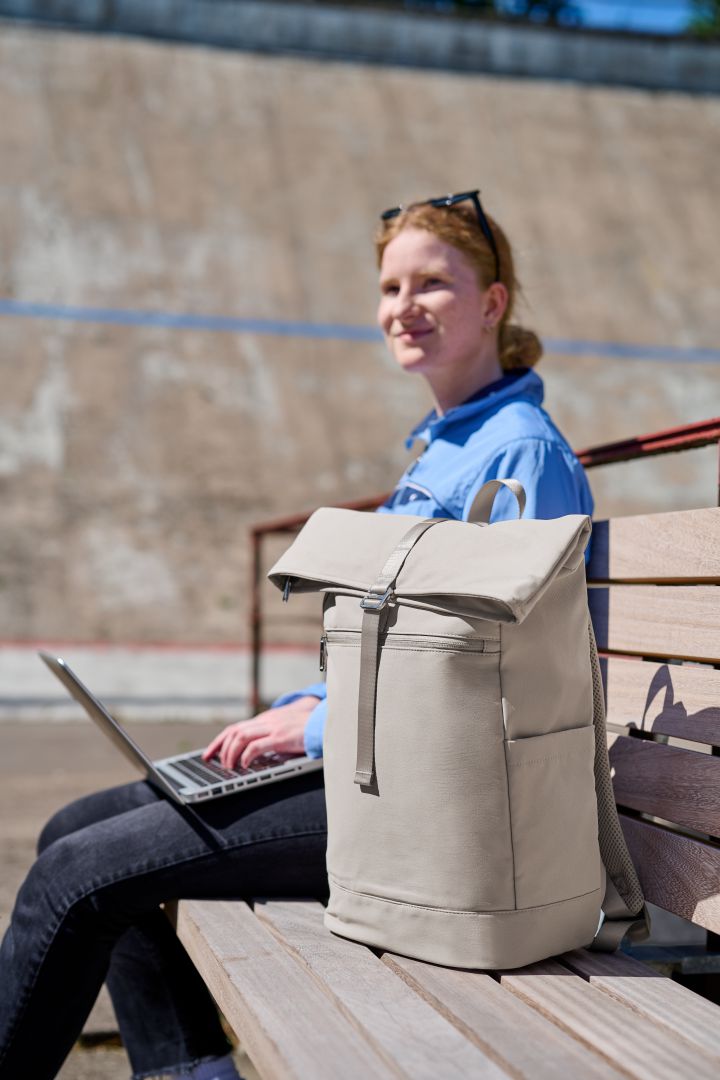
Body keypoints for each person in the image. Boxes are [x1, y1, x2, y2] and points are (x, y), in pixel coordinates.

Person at [0, 190, 593, 1080]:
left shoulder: (521, 455)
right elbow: (402, 642)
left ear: (493, 303)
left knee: (78, 878)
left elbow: (502, 687)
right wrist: (303, 710)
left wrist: (316, 730)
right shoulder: (446, 448)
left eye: (432, 283)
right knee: (69, 829)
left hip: (427, 808)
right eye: (390, 287)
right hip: (368, 766)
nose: (404, 306)